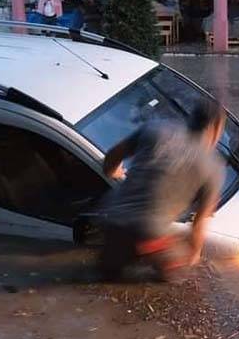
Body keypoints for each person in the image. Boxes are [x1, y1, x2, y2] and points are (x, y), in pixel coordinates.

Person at [95, 101, 226, 281]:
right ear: (216, 128)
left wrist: (114, 172)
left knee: (105, 276)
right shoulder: (213, 167)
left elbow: (112, 156)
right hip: (151, 234)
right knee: (181, 280)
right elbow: (199, 223)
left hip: (113, 218)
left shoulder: (154, 129)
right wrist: (194, 255)